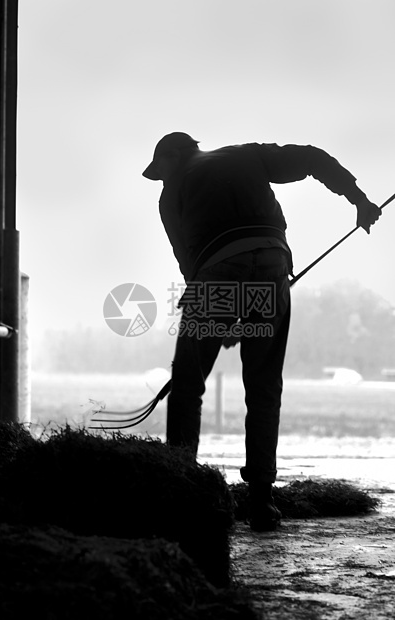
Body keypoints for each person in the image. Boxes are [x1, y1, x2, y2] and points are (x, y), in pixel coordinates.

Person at [142, 132, 381, 531]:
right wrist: (358, 200)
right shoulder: (247, 155)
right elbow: (312, 158)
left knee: (187, 386)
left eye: (159, 170)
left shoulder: (171, 196)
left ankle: (180, 485)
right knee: (263, 384)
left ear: (175, 155)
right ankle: (261, 502)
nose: (160, 179)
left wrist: (221, 318)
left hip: (216, 273)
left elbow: (189, 264)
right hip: (270, 266)